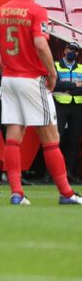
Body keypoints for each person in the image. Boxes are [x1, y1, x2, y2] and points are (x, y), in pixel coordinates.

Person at [0, 0, 81, 205]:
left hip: (10, 80)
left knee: (14, 135)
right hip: (31, 79)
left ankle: (16, 193)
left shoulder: (3, 10)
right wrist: (52, 72)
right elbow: (40, 44)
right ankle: (66, 193)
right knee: (50, 136)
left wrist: (4, 67)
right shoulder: (37, 11)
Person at [52, 42, 82, 183]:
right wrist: (75, 85)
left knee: (73, 141)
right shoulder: (56, 65)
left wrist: (69, 89)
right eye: (71, 49)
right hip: (60, 105)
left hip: (77, 107)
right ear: (65, 50)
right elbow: (54, 85)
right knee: (55, 140)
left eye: (76, 50)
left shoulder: (81, 67)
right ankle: (51, 173)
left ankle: (69, 173)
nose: (73, 52)